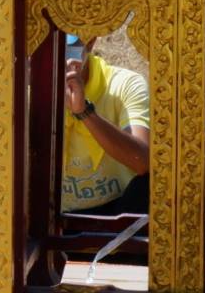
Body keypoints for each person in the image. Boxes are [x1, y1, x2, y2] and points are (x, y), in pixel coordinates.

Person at [61, 34, 151, 217]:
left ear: (90, 42)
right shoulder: (27, 85)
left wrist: (84, 112)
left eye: (69, 48)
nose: (60, 56)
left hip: (118, 211)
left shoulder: (125, 84)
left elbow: (142, 162)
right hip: (52, 214)